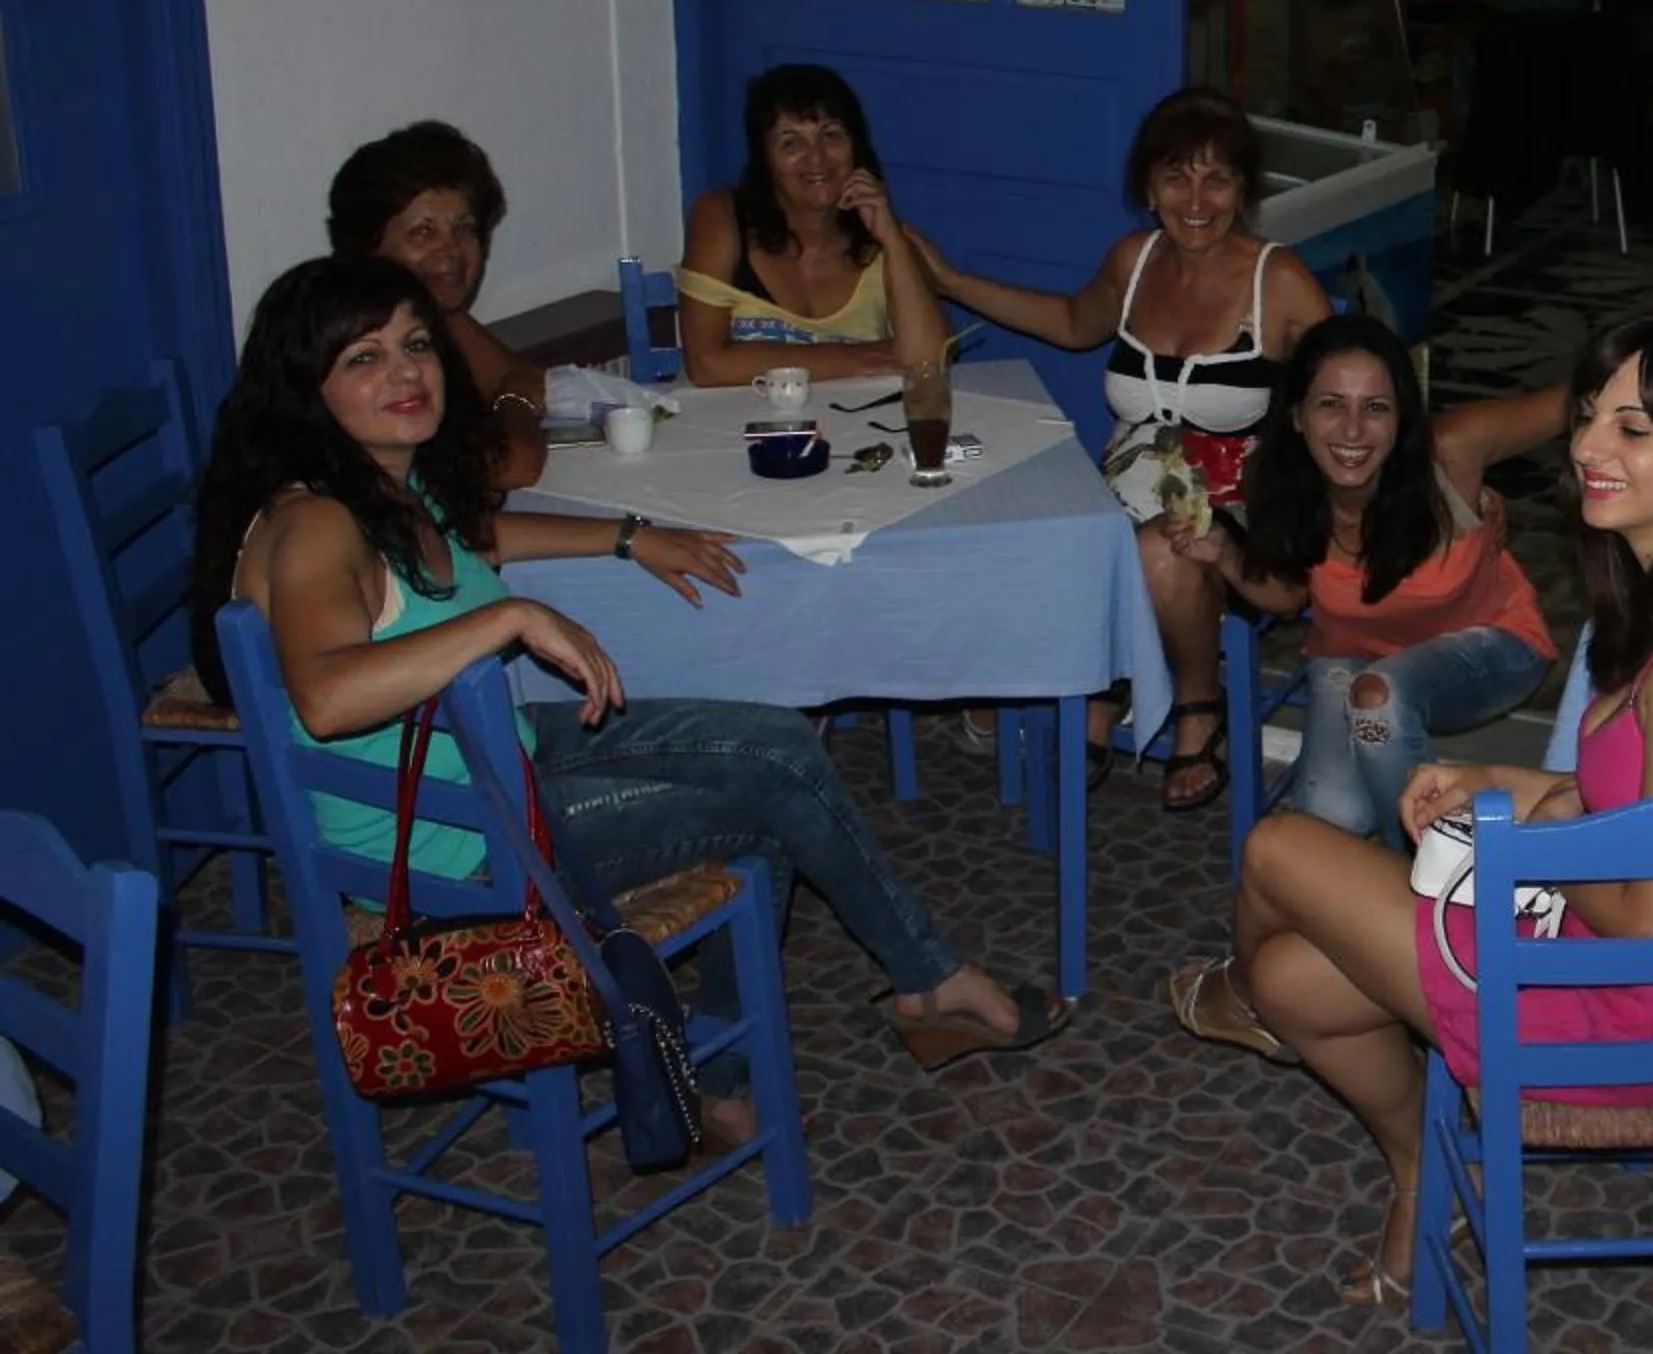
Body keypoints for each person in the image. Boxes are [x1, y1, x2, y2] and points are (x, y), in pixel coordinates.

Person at [193, 257, 1072, 1141]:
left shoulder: (382, 481)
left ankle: (893, 993)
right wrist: (512, 619)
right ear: (306, 386)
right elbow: (328, 695)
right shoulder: (314, 524)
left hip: (496, 761)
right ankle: (861, 1009)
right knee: (770, 809)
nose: (407, 372)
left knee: (778, 742)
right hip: (450, 845)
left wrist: (628, 536)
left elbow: (470, 541)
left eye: (415, 345)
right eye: (365, 359)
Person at [1164, 308, 1653, 1306]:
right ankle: (1422, 1172)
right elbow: (1652, 800)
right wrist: (1517, 785)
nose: (1584, 445)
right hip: (1618, 950)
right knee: (1300, 977)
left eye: (1632, 427)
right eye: (1589, 416)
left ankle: (1241, 999)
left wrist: (1537, 830)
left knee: (1276, 847)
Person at [912, 87, 1331, 809]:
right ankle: (1099, 678)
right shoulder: (1133, 260)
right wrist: (950, 281)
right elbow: (1075, 322)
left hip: (1234, 505)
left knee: (1155, 549)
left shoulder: (1279, 279)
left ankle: (1187, 700)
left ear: (1243, 189)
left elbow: (1347, 382)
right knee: (1027, 517)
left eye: (1217, 177)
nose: (1196, 198)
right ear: (1148, 186)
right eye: (1177, 176)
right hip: (1121, 489)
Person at [1167, 316, 1562, 849]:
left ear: (1401, 417)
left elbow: (1578, 399)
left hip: (1490, 650)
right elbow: (1286, 596)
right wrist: (1226, 557)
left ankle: (1421, 880)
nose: (1353, 431)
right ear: (1297, 417)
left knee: (1378, 700)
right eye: (1331, 404)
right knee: (1329, 818)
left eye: (1376, 407)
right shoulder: (1278, 480)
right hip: (1352, 657)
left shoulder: (1450, 453)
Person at [674, 63, 944, 386]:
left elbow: (928, 361)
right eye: (791, 142)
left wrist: (894, 240)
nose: (816, 157)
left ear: (855, 148)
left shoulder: (882, 236)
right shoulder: (721, 216)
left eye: (830, 135)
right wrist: (868, 356)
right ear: (765, 160)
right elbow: (707, 365)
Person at [327, 121, 549, 491]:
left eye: (464, 229)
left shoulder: (437, 315)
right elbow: (514, 463)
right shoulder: (348, 331)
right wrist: (516, 406)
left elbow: (526, 380)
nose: (450, 251)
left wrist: (516, 398)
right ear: (368, 246)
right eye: (422, 232)